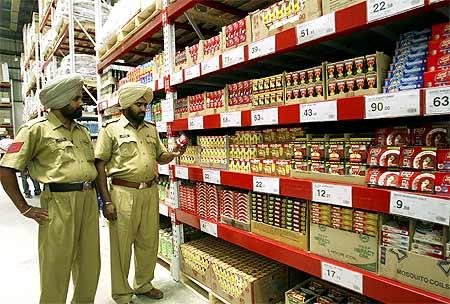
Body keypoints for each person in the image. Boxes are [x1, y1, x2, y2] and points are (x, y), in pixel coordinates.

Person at [0, 74, 100, 304]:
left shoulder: (81, 131)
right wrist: (25, 208)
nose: (80, 103)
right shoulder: (35, 130)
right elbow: (6, 168)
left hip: (88, 199)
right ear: (60, 102)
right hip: (59, 202)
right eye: (76, 99)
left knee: (89, 263)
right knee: (56, 264)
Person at [95, 82, 185, 304]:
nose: (143, 109)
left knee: (148, 242)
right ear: (125, 105)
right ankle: (122, 292)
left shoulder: (151, 129)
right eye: (138, 105)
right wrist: (106, 201)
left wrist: (174, 153)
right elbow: (99, 165)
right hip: (123, 192)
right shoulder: (111, 130)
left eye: (145, 105)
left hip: (150, 192)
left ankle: (143, 284)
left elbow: (160, 156)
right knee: (121, 245)